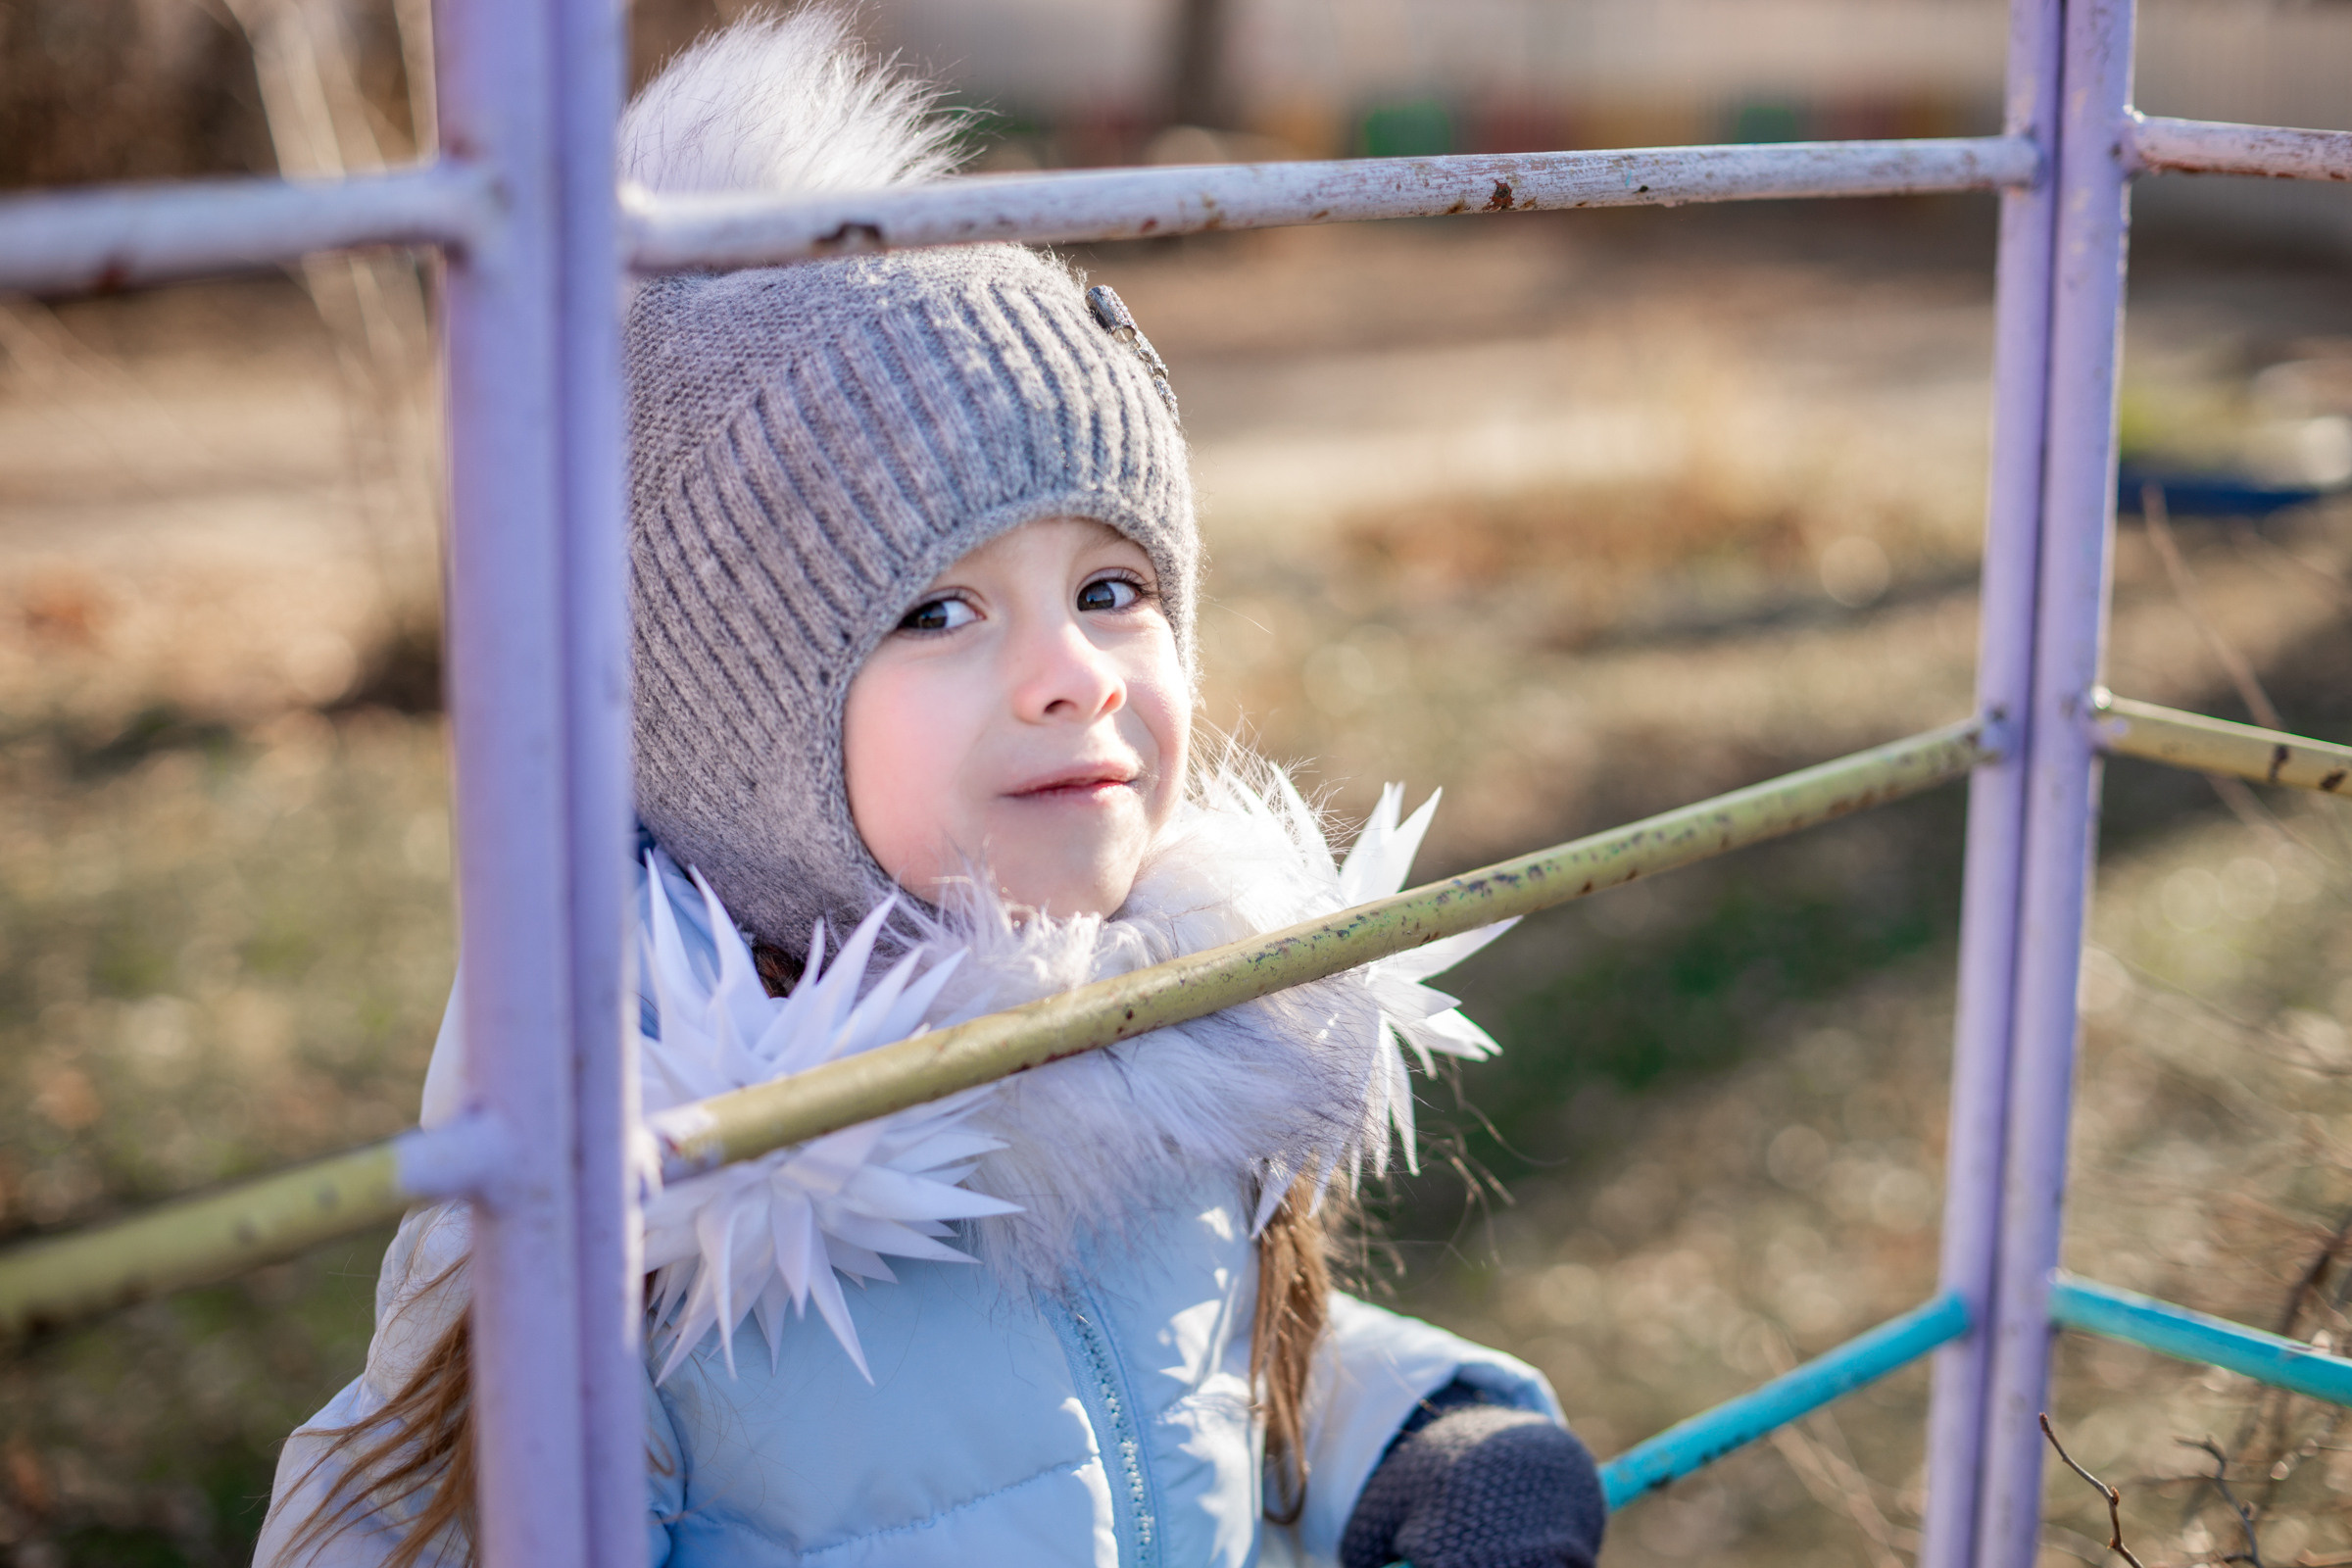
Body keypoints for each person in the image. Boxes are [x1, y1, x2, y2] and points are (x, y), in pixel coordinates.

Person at [257, 10, 1608, 1566]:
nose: (1077, 674)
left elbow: (1179, 1370)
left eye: (1113, 589)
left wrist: (1419, 1437)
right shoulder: (626, 1211)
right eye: (937, 611)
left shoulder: (1180, 1039)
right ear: (724, 726)